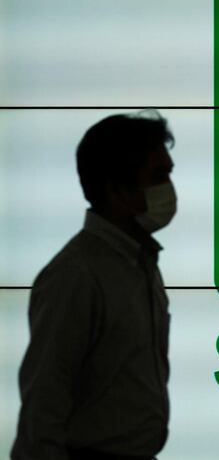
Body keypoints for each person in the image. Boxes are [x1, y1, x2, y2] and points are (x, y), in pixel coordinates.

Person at [11, 112, 177, 460]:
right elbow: (44, 404)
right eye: (158, 176)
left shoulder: (140, 264)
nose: (169, 191)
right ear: (116, 189)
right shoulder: (76, 276)